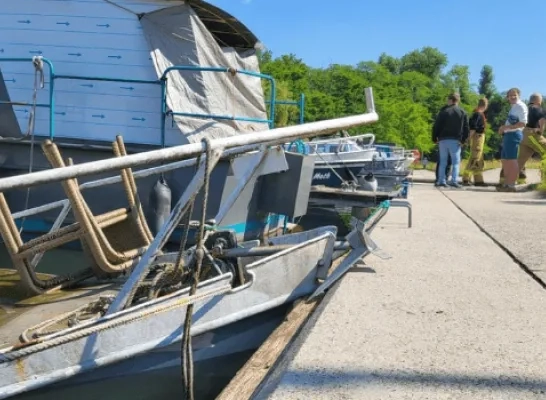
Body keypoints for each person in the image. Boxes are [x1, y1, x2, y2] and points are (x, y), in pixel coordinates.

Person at [432, 93, 470, 188]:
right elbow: (466, 128)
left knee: (443, 161)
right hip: (455, 140)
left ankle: (441, 180)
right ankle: (454, 180)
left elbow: (436, 125)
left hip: (443, 139)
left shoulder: (443, 111)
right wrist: (463, 140)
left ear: (450, 100)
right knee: (456, 162)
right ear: (458, 101)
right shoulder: (462, 112)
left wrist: (434, 137)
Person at [497, 88, 528, 192]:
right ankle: (506, 183)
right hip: (508, 135)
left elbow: (523, 123)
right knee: (505, 160)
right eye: (510, 96)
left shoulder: (520, 106)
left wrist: (506, 128)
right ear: (507, 98)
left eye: (514, 95)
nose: (512, 97)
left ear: (519, 95)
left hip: (514, 134)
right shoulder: (513, 107)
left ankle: (511, 185)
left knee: (512, 160)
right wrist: (503, 128)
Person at [517, 93, 546, 182]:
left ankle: (514, 179)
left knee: (521, 159)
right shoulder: (539, 109)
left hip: (521, 135)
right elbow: (542, 121)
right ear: (538, 101)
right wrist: (540, 131)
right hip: (532, 134)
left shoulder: (523, 109)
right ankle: (544, 179)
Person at [462, 98, 488, 186]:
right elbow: (473, 128)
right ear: (485, 105)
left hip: (479, 137)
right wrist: (468, 138)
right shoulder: (478, 114)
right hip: (478, 137)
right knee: (475, 159)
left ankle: (478, 180)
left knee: (479, 159)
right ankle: (466, 178)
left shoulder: (477, 114)